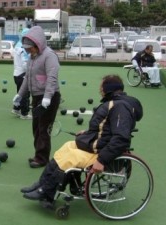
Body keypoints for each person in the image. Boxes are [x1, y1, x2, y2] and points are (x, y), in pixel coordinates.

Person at [20, 75, 143, 205]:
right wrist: (88, 133)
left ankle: (47, 192)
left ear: (108, 88)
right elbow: (107, 129)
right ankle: (42, 184)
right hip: (99, 146)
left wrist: (102, 160)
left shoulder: (119, 107)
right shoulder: (116, 103)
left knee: (71, 157)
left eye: (101, 86)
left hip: (102, 154)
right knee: (67, 147)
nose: (100, 89)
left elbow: (121, 138)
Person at [13, 26, 61, 168]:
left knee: (44, 128)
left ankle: (42, 158)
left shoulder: (49, 55)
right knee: (36, 128)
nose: (27, 50)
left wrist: (47, 97)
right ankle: (38, 155)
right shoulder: (32, 57)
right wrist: (19, 95)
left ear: (38, 44)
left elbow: (52, 77)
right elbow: (27, 78)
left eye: (30, 48)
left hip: (49, 98)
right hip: (36, 97)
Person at [12, 28, 31, 120]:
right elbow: (25, 64)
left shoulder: (17, 45)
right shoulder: (23, 47)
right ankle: (24, 114)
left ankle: (16, 108)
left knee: (20, 93)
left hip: (16, 74)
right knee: (25, 95)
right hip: (22, 74)